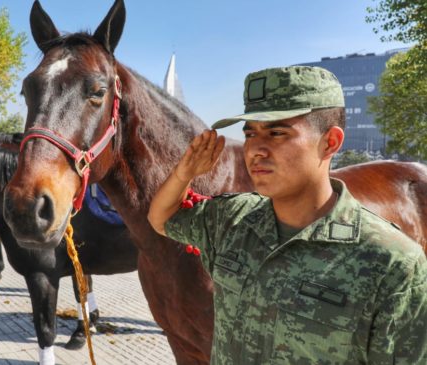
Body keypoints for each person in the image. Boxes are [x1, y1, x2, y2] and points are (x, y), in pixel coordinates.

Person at [148, 66, 426, 364]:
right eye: (250, 133)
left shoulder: (393, 265)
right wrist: (184, 172)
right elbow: (162, 219)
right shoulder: (233, 219)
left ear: (330, 142)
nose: (255, 149)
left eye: (277, 132)